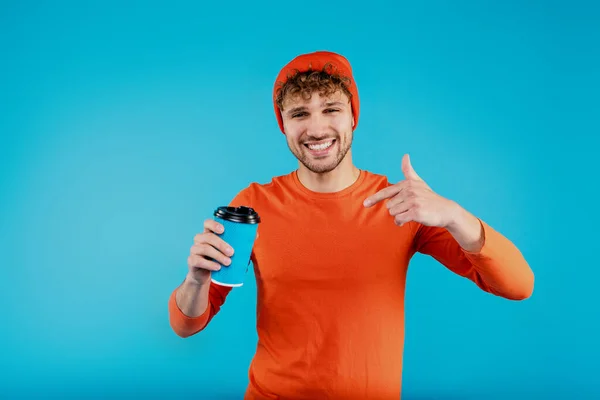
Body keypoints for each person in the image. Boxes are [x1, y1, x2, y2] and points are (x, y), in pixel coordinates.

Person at [168, 51, 535, 399]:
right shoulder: (253, 205)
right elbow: (187, 325)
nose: (316, 128)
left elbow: (518, 285)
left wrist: (456, 215)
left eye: (331, 109)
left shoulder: (400, 203)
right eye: (299, 114)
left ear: (353, 117)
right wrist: (196, 281)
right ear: (283, 125)